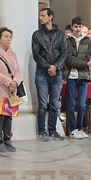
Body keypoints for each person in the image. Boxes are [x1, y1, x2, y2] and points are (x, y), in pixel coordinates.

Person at [31, 8, 67, 141]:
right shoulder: (37, 35)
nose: (40, 18)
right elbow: (36, 54)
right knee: (42, 104)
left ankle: (53, 130)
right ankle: (42, 131)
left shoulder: (60, 34)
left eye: (43, 15)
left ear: (50, 17)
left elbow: (64, 53)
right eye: (39, 15)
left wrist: (55, 66)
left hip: (56, 74)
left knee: (54, 104)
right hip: (42, 73)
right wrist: (48, 67)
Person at [0, 27, 23, 153]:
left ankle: (8, 139)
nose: (8, 39)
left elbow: (18, 70)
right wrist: (9, 82)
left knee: (8, 116)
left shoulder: (12, 53)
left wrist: (15, 82)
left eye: (10, 37)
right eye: (6, 36)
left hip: (10, 91)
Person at [65, 16, 91, 138]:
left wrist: (81, 62)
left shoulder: (87, 41)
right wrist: (85, 64)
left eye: (79, 26)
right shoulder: (67, 41)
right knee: (71, 104)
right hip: (71, 76)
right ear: (72, 27)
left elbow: (88, 57)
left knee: (82, 105)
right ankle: (72, 129)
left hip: (83, 75)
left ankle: (79, 128)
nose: (77, 29)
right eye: (75, 26)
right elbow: (69, 60)